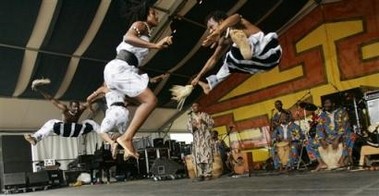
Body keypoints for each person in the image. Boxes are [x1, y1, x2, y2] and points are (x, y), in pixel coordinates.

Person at [103, 1, 173, 159]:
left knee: (144, 101)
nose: (157, 16)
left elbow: (134, 61)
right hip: (118, 69)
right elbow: (128, 38)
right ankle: (125, 138)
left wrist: (151, 79)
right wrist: (155, 46)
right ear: (146, 15)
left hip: (120, 70)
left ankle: (124, 144)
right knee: (151, 101)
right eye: (153, 13)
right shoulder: (140, 24)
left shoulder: (145, 33)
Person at [191, 10, 282, 94]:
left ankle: (244, 45)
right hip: (264, 65)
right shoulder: (223, 41)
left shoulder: (237, 22)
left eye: (211, 27)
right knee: (227, 61)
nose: (211, 31)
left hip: (269, 50)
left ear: (221, 21)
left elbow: (236, 16)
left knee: (233, 37)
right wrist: (199, 76)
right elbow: (213, 59)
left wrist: (218, 32)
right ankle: (210, 85)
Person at [24, 88, 100, 145]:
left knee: (90, 122)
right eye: (74, 107)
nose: (76, 109)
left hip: (74, 131)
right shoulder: (64, 109)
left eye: (77, 107)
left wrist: (102, 94)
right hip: (63, 130)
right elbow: (51, 99)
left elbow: (91, 100)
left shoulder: (80, 109)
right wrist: (40, 90)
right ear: (70, 107)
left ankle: (104, 133)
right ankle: (35, 138)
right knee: (51, 122)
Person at [86, 84, 130, 160]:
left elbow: (88, 99)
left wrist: (90, 108)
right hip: (125, 112)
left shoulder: (104, 88)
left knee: (102, 131)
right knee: (121, 133)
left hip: (114, 111)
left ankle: (112, 144)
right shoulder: (122, 88)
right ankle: (126, 149)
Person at [307, 98, 352, 171]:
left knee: (351, 136)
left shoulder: (342, 112)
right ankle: (321, 163)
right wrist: (321, 139)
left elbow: (345, 126)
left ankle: (342, 160)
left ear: (333, 104)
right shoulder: (323, 115)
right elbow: (319, 127)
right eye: (325, 104)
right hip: (329, 138)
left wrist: (337, 139)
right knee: (308, 142)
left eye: (328, 103)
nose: (325, 105)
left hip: (341, 136)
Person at [187, 102, 214, 181]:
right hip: (197, 140)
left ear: (199, 107)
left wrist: (204, 122)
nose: (194, 107)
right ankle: (200, 174)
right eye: (193, 106)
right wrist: (194, 126)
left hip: (206, 139)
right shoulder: (190, 118)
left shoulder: (205, 115)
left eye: (196, 106)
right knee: (198, 158)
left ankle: (208, 174)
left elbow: (212, 124)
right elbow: (190, 129)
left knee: (207, 156)